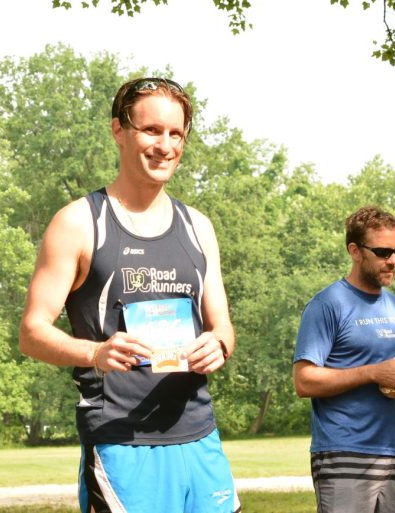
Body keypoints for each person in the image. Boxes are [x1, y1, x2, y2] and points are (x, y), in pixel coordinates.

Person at [19, 77, 240, 513]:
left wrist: (218, 346)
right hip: (121, 441)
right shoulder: (79, 222)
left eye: (176, 133)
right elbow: (31, 332)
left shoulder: (198, 226)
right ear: (118, 130)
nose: (165, 145)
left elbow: (223, 327)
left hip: (199, 435)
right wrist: (97, 352)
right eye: (151, 130)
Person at [292, 206, 395, 513]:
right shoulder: (327, 304)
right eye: (382, 251)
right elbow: (303, 380)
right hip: (343, 451)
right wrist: (375, 373)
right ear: (355, 250)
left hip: (391, 451)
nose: (392, 260)